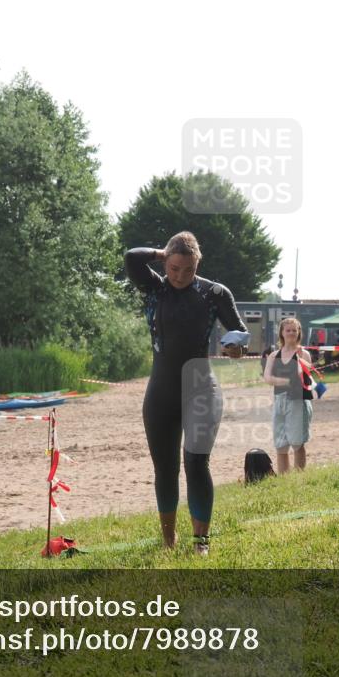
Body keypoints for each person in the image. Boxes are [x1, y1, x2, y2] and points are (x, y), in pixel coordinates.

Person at [125, 233, 247, 554]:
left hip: (201, 390)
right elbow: (131, 258)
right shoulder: (155, 286)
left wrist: (236, 347)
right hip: (161, 393)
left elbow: (238, 330)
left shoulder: (214, 292)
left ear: (198, 266)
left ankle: (201, 543)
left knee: (195, 463)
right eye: (174, 268)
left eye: (188, 270)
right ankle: (168, 540)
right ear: (166, 262)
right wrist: (159, 251)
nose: (180, 276)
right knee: (165, 469)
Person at [263, 318, 314, 473]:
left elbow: (304, 375)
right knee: (280, 443)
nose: (291, 333)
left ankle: (299, 476)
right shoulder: (273, 355)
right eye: (288, 330)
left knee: (297, 442)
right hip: (279, 401)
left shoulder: (303, 354)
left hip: (297, 401)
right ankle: (284, 478)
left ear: (299, 332)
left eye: (294, 330)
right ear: (282, 333)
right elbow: (268, 378)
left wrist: (297, 363)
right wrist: (286, 380)